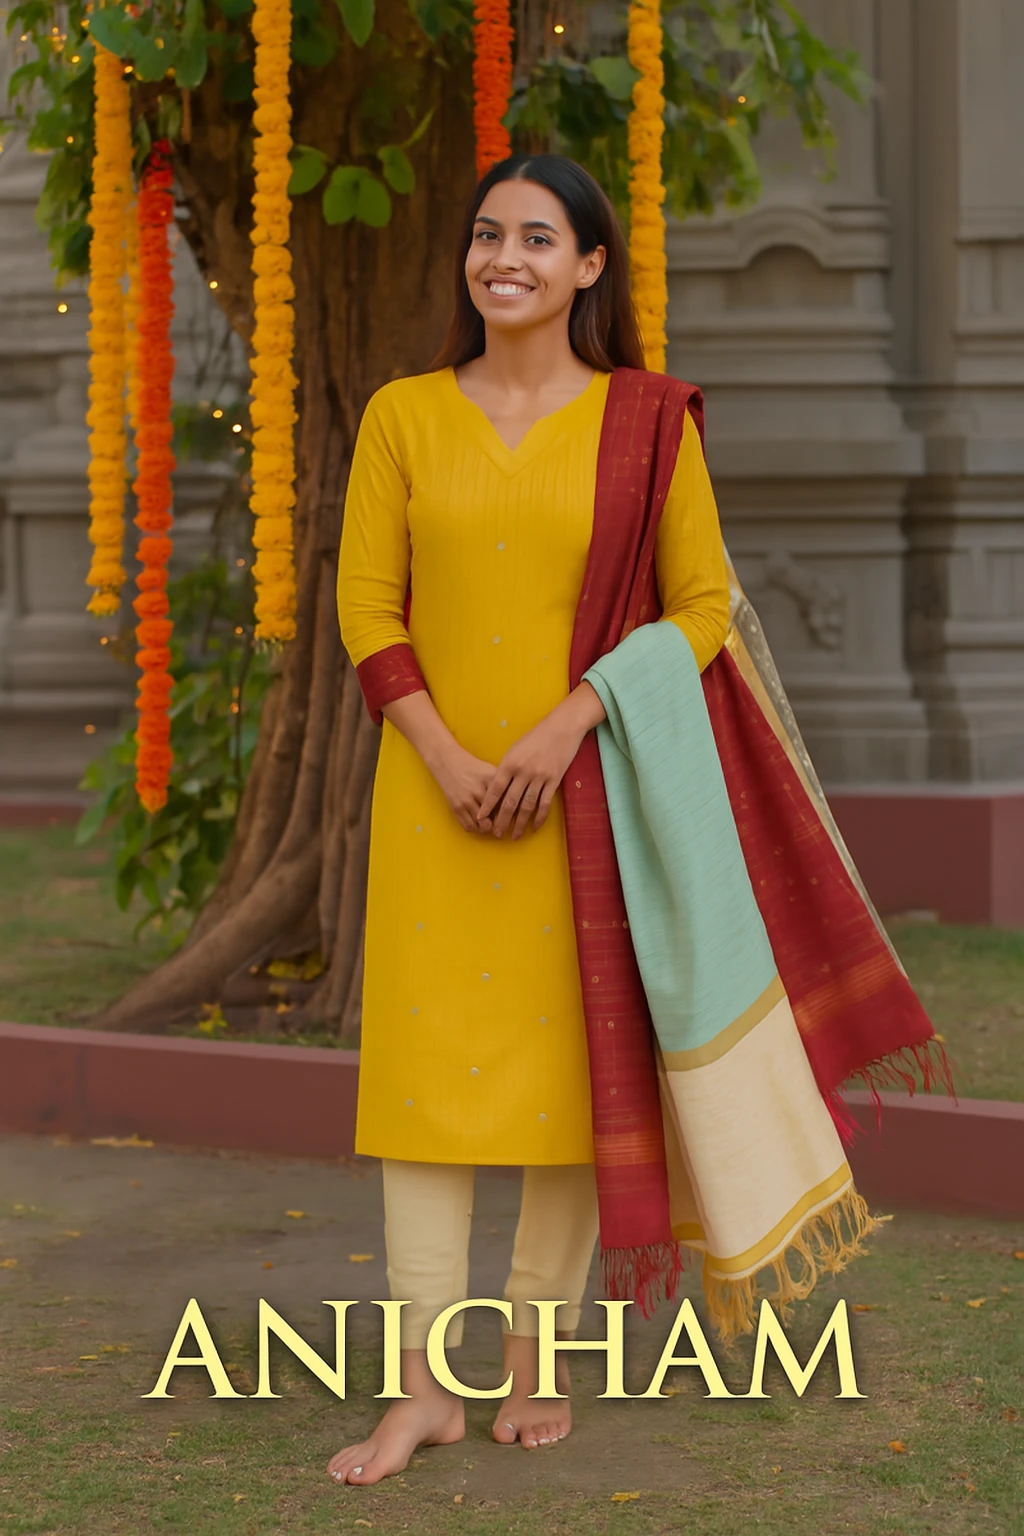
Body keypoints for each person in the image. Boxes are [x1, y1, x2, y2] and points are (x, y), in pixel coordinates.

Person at [330, 153, 730, 1486]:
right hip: (429, 798)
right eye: (487, 232)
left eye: (539, 239)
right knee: (426, 1090)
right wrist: (442, 755)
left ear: (591, 266)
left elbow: (703, 608)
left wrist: (575, 720)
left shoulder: (646, 423)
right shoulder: (404, 417)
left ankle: (536, 1358)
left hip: (586, 801)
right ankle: (421, 1391)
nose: (506, 257)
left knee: (573, 1079)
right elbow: (366, 609)